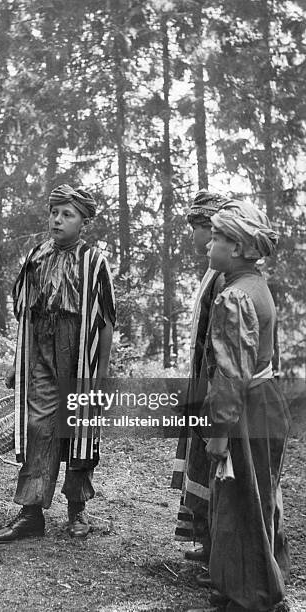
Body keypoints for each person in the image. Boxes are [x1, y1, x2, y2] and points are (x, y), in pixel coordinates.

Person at [0, 184, 115, 543]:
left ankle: (77, 509)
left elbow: (105, 322)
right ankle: (31, 512)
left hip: (78, 354)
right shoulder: (37, 256)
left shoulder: (94, 263)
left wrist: (100, 374)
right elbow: (26, 317)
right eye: (54, 212)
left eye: (68, 214)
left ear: (84, 222)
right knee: (39, 426)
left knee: (77, 428)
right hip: (42, 351)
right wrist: (18, 361)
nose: (58, 220)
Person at [189, 200, 290, 612]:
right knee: (259, 497)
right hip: (264, 401)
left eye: (215, 238)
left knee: (240, 500)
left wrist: (217, 433)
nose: (208, 245)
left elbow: (231, 374)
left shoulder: (234, 297)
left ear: (235, 247)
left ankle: (252, 598)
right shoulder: (257, 285)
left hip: (246, 409)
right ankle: (252, 585)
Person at [171, 191, 230, 570]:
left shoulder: (223, 276)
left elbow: (219, 346)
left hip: (214, 389)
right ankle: (208, 547)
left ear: (209, 230)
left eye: (195, 228)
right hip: (201, 385)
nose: (192, 237)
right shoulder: (211, 272)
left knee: (213, 469)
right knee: (200, 466)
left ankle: (219, 555)